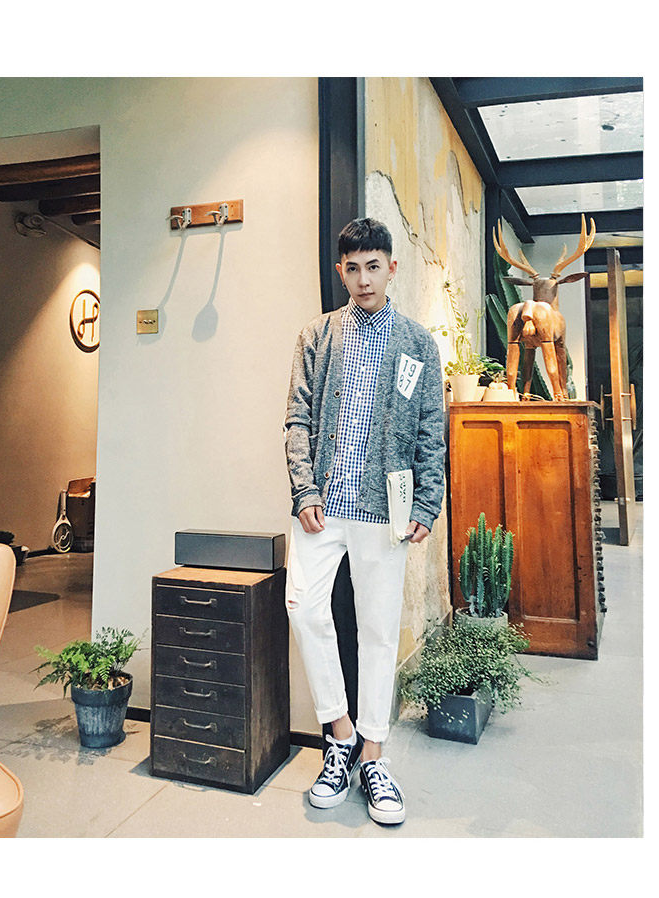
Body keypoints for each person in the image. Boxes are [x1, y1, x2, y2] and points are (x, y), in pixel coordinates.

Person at [283, 217, 445, 825]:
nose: (363, 278)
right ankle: (341, 734)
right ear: (341, 271)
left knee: (377, 630)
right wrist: (304, 488)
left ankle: (374, 755)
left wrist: (427, 502)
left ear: (391, 268)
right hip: (322, 508)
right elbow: (297, 417)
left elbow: (431, 428)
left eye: (373, 266)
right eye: (352, 268)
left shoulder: (417, 344)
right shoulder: (317, 335)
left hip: (386, 511)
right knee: (303, 607)